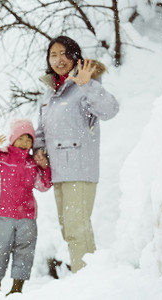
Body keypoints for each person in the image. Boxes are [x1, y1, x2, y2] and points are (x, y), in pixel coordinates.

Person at [33, 35, 119, 273]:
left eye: (63, 53)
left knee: (77, 228)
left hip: (80, 169)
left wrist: (87, 84)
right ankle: (89, 277)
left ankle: (86, 282)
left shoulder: (85, 85)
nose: (58, 59)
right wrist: (39, 149)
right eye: (53, 55)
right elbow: (41, 129)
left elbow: (110, 110)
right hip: (59, 171)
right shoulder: (50, 92)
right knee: (68, 228)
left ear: (74, 56)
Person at [0, 119, 52, 298]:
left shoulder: (32, 163)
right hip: (3, 214)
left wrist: (45, 167)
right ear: (13, 138)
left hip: (27, 216)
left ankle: (17, 290)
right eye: (21, 138)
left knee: (25, 251)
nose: (25, 143)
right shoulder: (0, 158)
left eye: (29, 139)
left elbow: (43, 185)